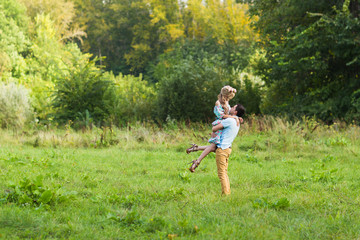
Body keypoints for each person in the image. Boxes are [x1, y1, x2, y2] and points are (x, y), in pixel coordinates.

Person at [186, 85, 242, 172]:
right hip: (218, 126)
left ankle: (195, 149)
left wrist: (237, 117)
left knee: (214, 148)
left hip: (222, 125)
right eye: (228, 96)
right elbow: (222, 116)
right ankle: (196, 162)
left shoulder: (226, 102)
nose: (228, 98)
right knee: (213, 147)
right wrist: (234, 118)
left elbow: (231, 113)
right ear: (225, 95)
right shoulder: (218, 103)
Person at [212, 104, 245, 195]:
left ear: (235, 112)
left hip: (222, 149)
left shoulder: (230, 120)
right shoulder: (236, 121)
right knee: (224, 172)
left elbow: (214, 128)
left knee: (221, 173)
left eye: (233, 107)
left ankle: (225, 194)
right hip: (228, 149)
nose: (231, 108)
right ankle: (227, 192)